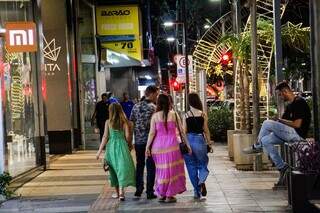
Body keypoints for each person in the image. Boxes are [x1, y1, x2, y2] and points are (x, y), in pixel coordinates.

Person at [243, 81, 311, 185]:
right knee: (265, 140)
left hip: (298, 135)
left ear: (285, 91)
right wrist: (277, 121)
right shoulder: (289, 106)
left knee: (267, 123)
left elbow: (297, 124)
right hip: (289, 134)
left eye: (280, 94)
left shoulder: (299, 102)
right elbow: (283, 124)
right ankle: (282, 167)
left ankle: (257, 146)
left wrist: (279, 120)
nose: (280, 97)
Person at [145, 94, 191, 203]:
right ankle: (169, 195)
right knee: (172, 171)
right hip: (172, 146)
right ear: (169, 102)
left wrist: (147, 147)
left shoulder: (155, 116)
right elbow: (182, 132)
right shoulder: (174, 115)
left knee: (161, 171)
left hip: (158, 147)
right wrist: (188, 145)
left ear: (158, 103)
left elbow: (152, 133)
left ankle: (162, 194)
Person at [96, 103, 135, 201]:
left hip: (111, 148)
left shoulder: (108, 122)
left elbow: (105, 137)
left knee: (113, 170)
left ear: (110, 111)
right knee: (121, 168)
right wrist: (129, 146)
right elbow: (127, 137)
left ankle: (117, 193)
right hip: (122, 147)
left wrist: (99, 152)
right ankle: (122, 193)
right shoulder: (124, 122)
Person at [130, 85, 159, 199]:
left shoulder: (135, 107)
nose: (156, 97)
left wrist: (131, 139)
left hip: (138, 141)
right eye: (156, 94)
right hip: (151, 142)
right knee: (151, 165)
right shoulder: (153, 108)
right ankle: (149, 191)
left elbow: (131, 123)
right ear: (151, 94)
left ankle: (138, 189)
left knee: (140, 164)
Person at [183, 93, 212, 199]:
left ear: (189, 102)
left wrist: (187, 145)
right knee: (203, 164)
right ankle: (201, 180)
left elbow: (183, 132)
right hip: (200, 141)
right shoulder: (203, 114)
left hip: (189, 141)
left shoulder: (186, 115)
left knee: (191, 167)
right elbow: (206, 130)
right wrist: (209, 143)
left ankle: (196, 191)